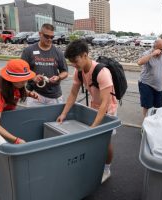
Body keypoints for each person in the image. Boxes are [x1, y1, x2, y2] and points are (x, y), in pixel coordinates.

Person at [56, 39, 118, 183]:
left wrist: (93, 127)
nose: (73, 64)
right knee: (94, 140)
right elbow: (72, 94)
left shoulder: (103, 72)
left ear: (85, 55)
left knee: (105, 141)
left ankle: (107, 169)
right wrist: (64, 113)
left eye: (75, 60)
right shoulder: (79, 72)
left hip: (108, 109)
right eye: (70, 61)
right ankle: (95, 164)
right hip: (94, 105)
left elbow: (105, 103)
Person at [0, 59, 37, 144]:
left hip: (5, 117)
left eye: (26, 79)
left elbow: (17, 92)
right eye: (22, 79)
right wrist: (16, 140)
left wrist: (29, 94)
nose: (25, 82)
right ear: (10, 79)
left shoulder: (15, 84)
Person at [21, 23, 68, 106]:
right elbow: (22, 70)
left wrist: (58, 77)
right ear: (40, 34)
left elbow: (65, 72)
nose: (49, 39)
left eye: (52, 37)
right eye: (46, 36)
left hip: (54, 96)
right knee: (34, 119)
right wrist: (33, 77)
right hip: (35, 94)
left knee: (54, 119)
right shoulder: (29, 51)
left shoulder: (58, 52)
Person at [137, 39, 162, 119]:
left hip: (158, 86)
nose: (161, 51)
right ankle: (146, 122)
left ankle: (155, 121)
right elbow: (139, 62)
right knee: (147, 106)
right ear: (154, 47)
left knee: (158, 106)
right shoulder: (147, 54)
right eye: (160, 49)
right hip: (146, 83)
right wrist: (152, 54)